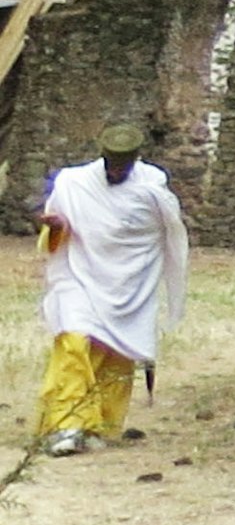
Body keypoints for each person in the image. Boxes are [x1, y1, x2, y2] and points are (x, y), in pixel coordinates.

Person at [32, 119, 188, 457]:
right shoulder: (75, 184)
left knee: (116, 354)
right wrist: (56, 226)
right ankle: (66, 424)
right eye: (110, 163)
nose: (115, 170)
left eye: (122, 164)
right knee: (73, 341)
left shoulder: (152, 188)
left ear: (134, 161)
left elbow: (160, 234)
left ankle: (99, 424)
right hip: (79, 273)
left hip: (129, 283)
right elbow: (53, 226)